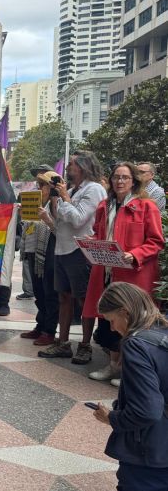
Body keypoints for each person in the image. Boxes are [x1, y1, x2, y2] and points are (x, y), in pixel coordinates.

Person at [92, 282, 168, 491]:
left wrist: (112, 417)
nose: (112, 329)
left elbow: (147, 410)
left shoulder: (137, 344)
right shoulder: (163, 330)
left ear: (125, 312)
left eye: (112, 320)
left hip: (151, 450)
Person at [83, 162, 164, 385]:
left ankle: (131, 373)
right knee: (110, 321)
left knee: (133, 322)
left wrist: (135, 254)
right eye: (116, 177)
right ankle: (113, 366)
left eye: (125, 178)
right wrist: (91, 244)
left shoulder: (147, 206)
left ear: (134, 181)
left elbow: (156, 241)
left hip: (134, 275)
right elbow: (99, 233)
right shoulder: (104, 206)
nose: (119, 181)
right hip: (107, 272)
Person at [38, 150, 106, 363]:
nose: (68, 168)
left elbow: (78, 221)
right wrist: (54, 206)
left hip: (79, 251)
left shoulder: (93, 189)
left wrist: (65, 198)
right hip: (62, 248)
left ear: (85, 166)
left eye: (73, 164)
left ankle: (85, 345)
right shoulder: (73, 190)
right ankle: (63, 342)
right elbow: (61, 223)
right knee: (63, 297)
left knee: (84, 300)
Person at [20, 170, 61, 347]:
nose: (39, 188)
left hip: (49, 254)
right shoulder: (37, 201)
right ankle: (40, 325)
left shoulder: (56, 204)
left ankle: (49, 331)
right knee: (38, 292)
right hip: (33, 251)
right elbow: (29, 225)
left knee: (49, 294)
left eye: (43, 185)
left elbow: (60, 231)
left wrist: (46, 218)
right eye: (39, 184)